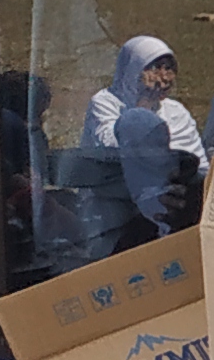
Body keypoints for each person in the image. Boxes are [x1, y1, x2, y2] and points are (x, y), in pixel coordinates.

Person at [82, 36, 205, 240]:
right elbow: (114, 149)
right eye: (155, 68)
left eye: (169, 69)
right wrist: (144, 104)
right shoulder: (105, 102)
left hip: (170, 197)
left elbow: (198, 162)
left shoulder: (176, 111)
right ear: (133, 69)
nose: (163, 77)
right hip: (116, 197)